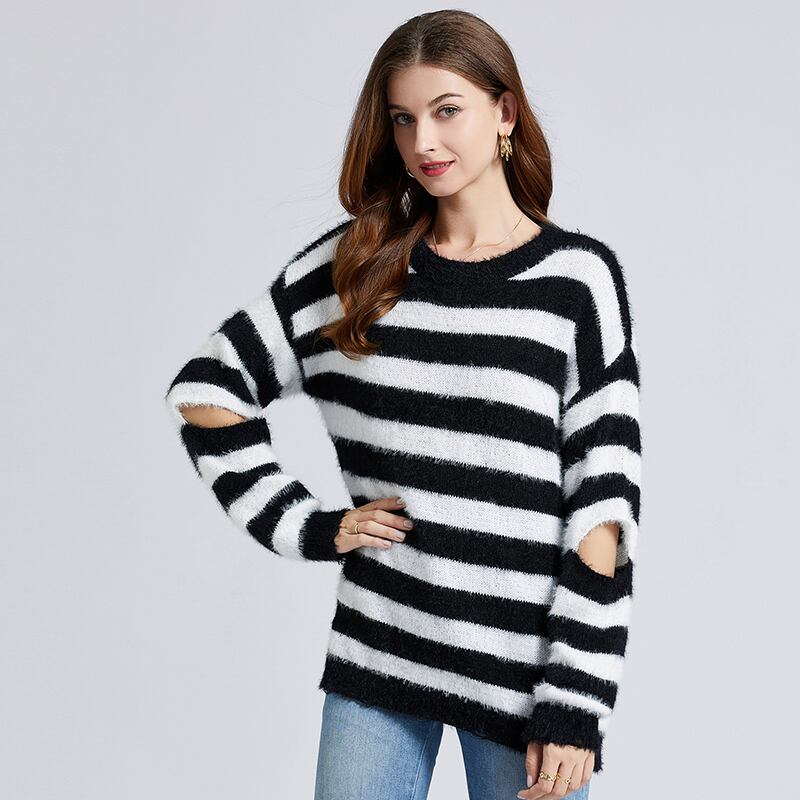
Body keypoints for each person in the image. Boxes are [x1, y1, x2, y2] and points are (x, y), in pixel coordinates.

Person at [164, 9, 642, 800]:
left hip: (526, 681)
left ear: (505, 112)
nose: (424, 141)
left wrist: (576, 700)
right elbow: (208, 391)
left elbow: (604, 503)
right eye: (403, 118)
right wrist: (310, 525)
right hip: (380, 655)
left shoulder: (576, 282)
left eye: (447, 110)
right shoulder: (358, 267)